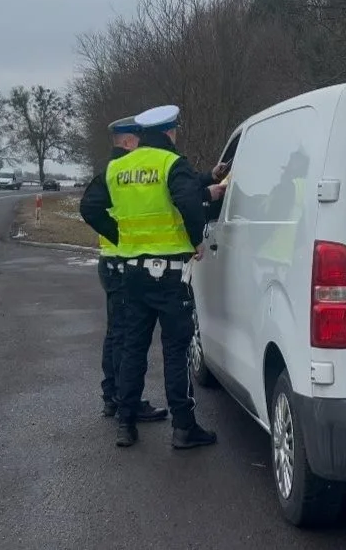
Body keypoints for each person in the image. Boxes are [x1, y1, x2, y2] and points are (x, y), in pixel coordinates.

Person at [81, 104, 218, 449]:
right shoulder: (172, 163)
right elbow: (187, 199)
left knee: (132, 347)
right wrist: (196, 240)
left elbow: (90, 206)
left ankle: (126, 423)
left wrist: (120, 236)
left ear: (141, 135)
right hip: (169, 275)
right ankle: (184, 428)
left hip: (130, 273)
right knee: (175, 349)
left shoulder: (118, 168)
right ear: (170, 132)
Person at [80, 116, 168, 423]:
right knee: (125, 335)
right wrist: (121, 234)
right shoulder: (116, 172)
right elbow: (89, 207)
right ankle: (121, 400)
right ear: (129, 142)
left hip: (113, 261)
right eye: (139, 139)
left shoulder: (115, 171)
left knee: (116, 332)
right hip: (119, 261)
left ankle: (112, 397)